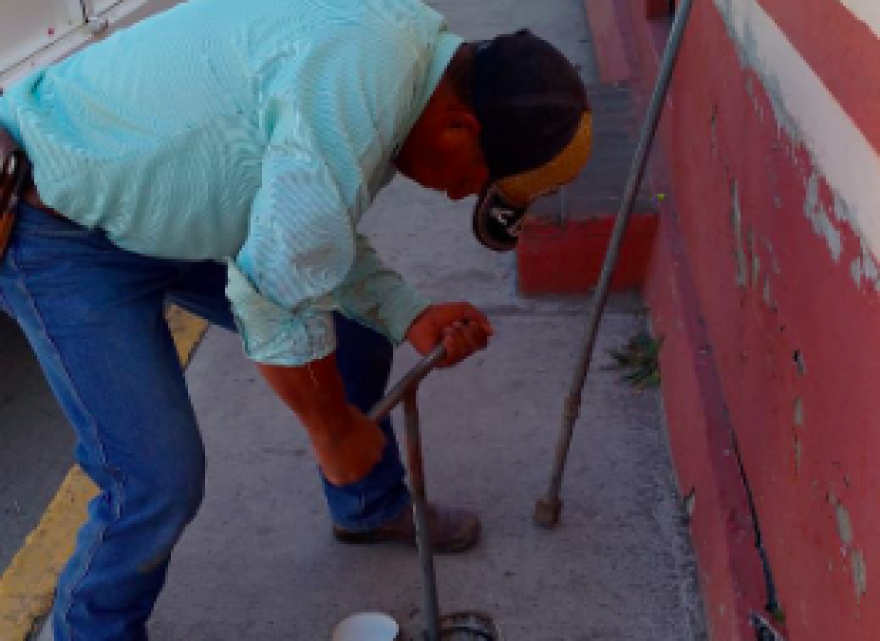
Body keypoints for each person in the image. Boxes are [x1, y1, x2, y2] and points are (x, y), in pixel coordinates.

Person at [0, 0, 593, 638]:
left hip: (160, 197)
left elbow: (311, 227)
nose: (456, 196)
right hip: (56, 222)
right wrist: (333, 430)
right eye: (475, 182)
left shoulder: (414, 62)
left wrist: (405, 311)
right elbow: (273, 292)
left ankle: (367, 505)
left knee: (359, 341)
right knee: (153, 478)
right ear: (457, 126)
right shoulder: (359, 90)